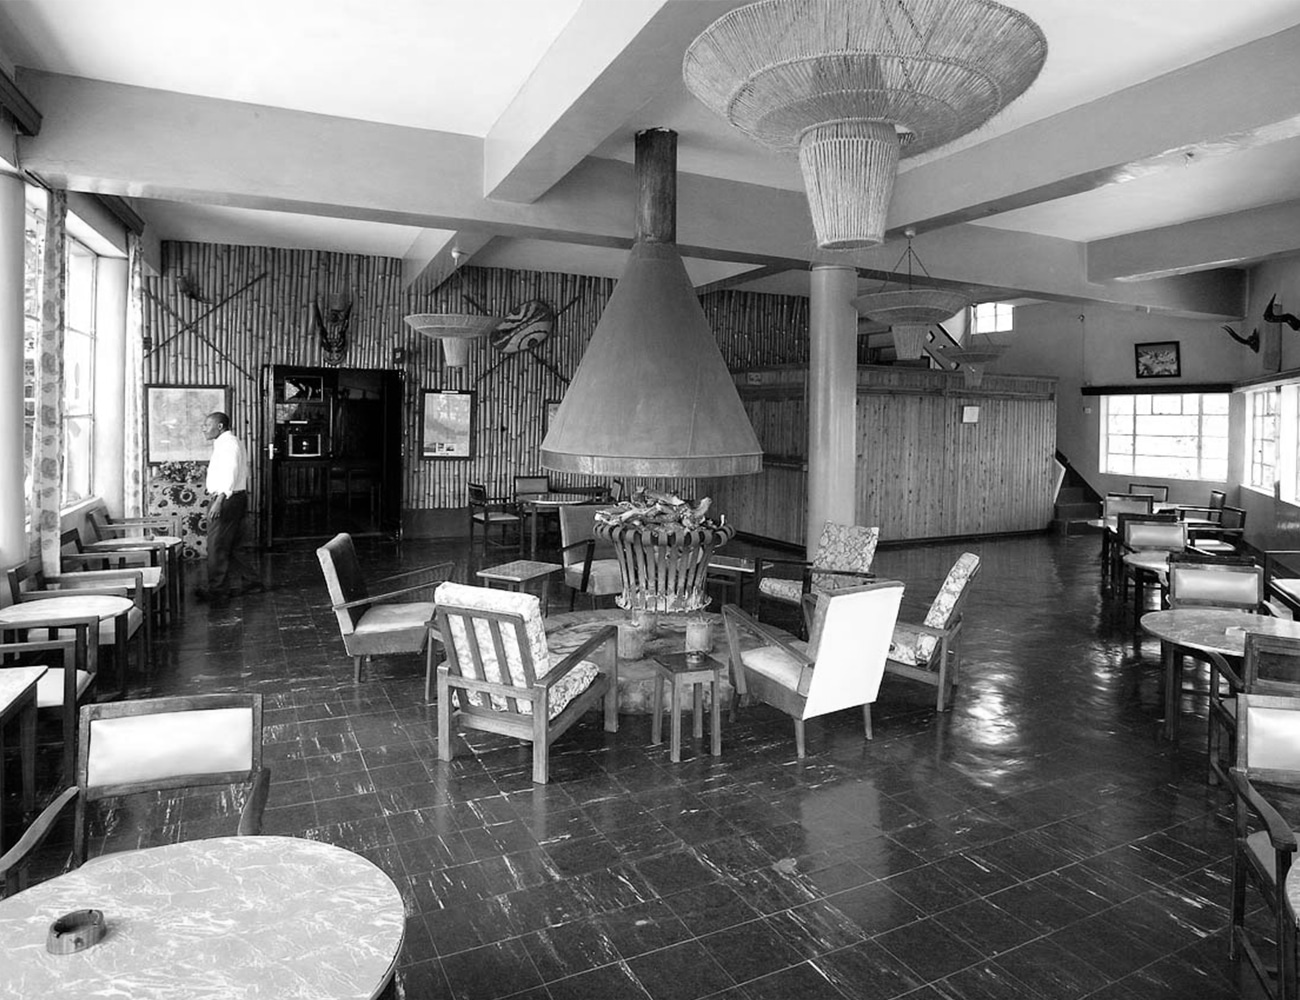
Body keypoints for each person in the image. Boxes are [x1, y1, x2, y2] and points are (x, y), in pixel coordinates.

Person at [198, 411, 263, 607]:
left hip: (226, 499)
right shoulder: (226, 443)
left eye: (206, 425)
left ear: (219, 426)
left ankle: (217, 591)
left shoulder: (229, 444)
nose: (203, 428)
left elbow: (230, 473)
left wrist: (219, 500)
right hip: (232, 498)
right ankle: (252, 582)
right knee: (233, 547)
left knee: (216, 546)